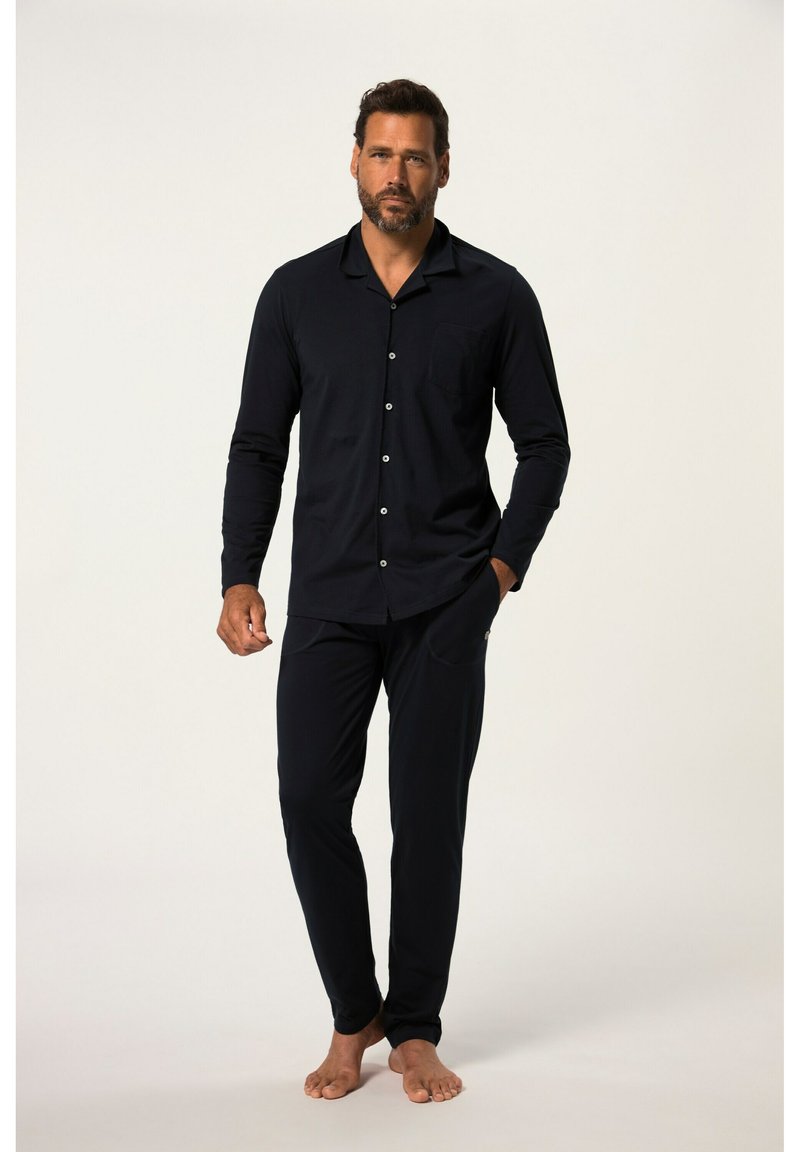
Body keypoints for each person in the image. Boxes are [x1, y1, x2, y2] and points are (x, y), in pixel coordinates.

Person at [217, 78, 570, 1103]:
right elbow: (257, 443)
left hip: (444, 604)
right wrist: (239, 571)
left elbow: (544, 446)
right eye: (381, 154)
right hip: (328, 598)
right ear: (354, 162)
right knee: (306, 799)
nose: (396, 174)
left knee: (427, 818)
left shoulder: (496, 294)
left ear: (443, 168)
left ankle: (413, 1027)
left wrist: (498, 572)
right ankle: (353, 1013)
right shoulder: (295, 294)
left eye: (416, 156)